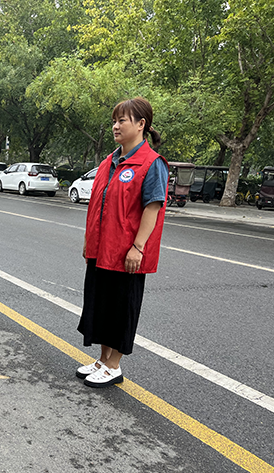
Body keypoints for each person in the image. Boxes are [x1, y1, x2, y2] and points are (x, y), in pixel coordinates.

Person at [76, 97, 169, 388]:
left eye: (123, 120)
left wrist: (138, 247)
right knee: (101, 306)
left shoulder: (151, 164)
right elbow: (99, 205)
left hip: (127, 252)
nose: (116, 126)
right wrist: (88, 240)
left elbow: (152, 207)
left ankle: (114, 365)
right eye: (114, 120)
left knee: (120, 307)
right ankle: (103, 359)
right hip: (101, 249)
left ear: (141, 125)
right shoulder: (109, 162)